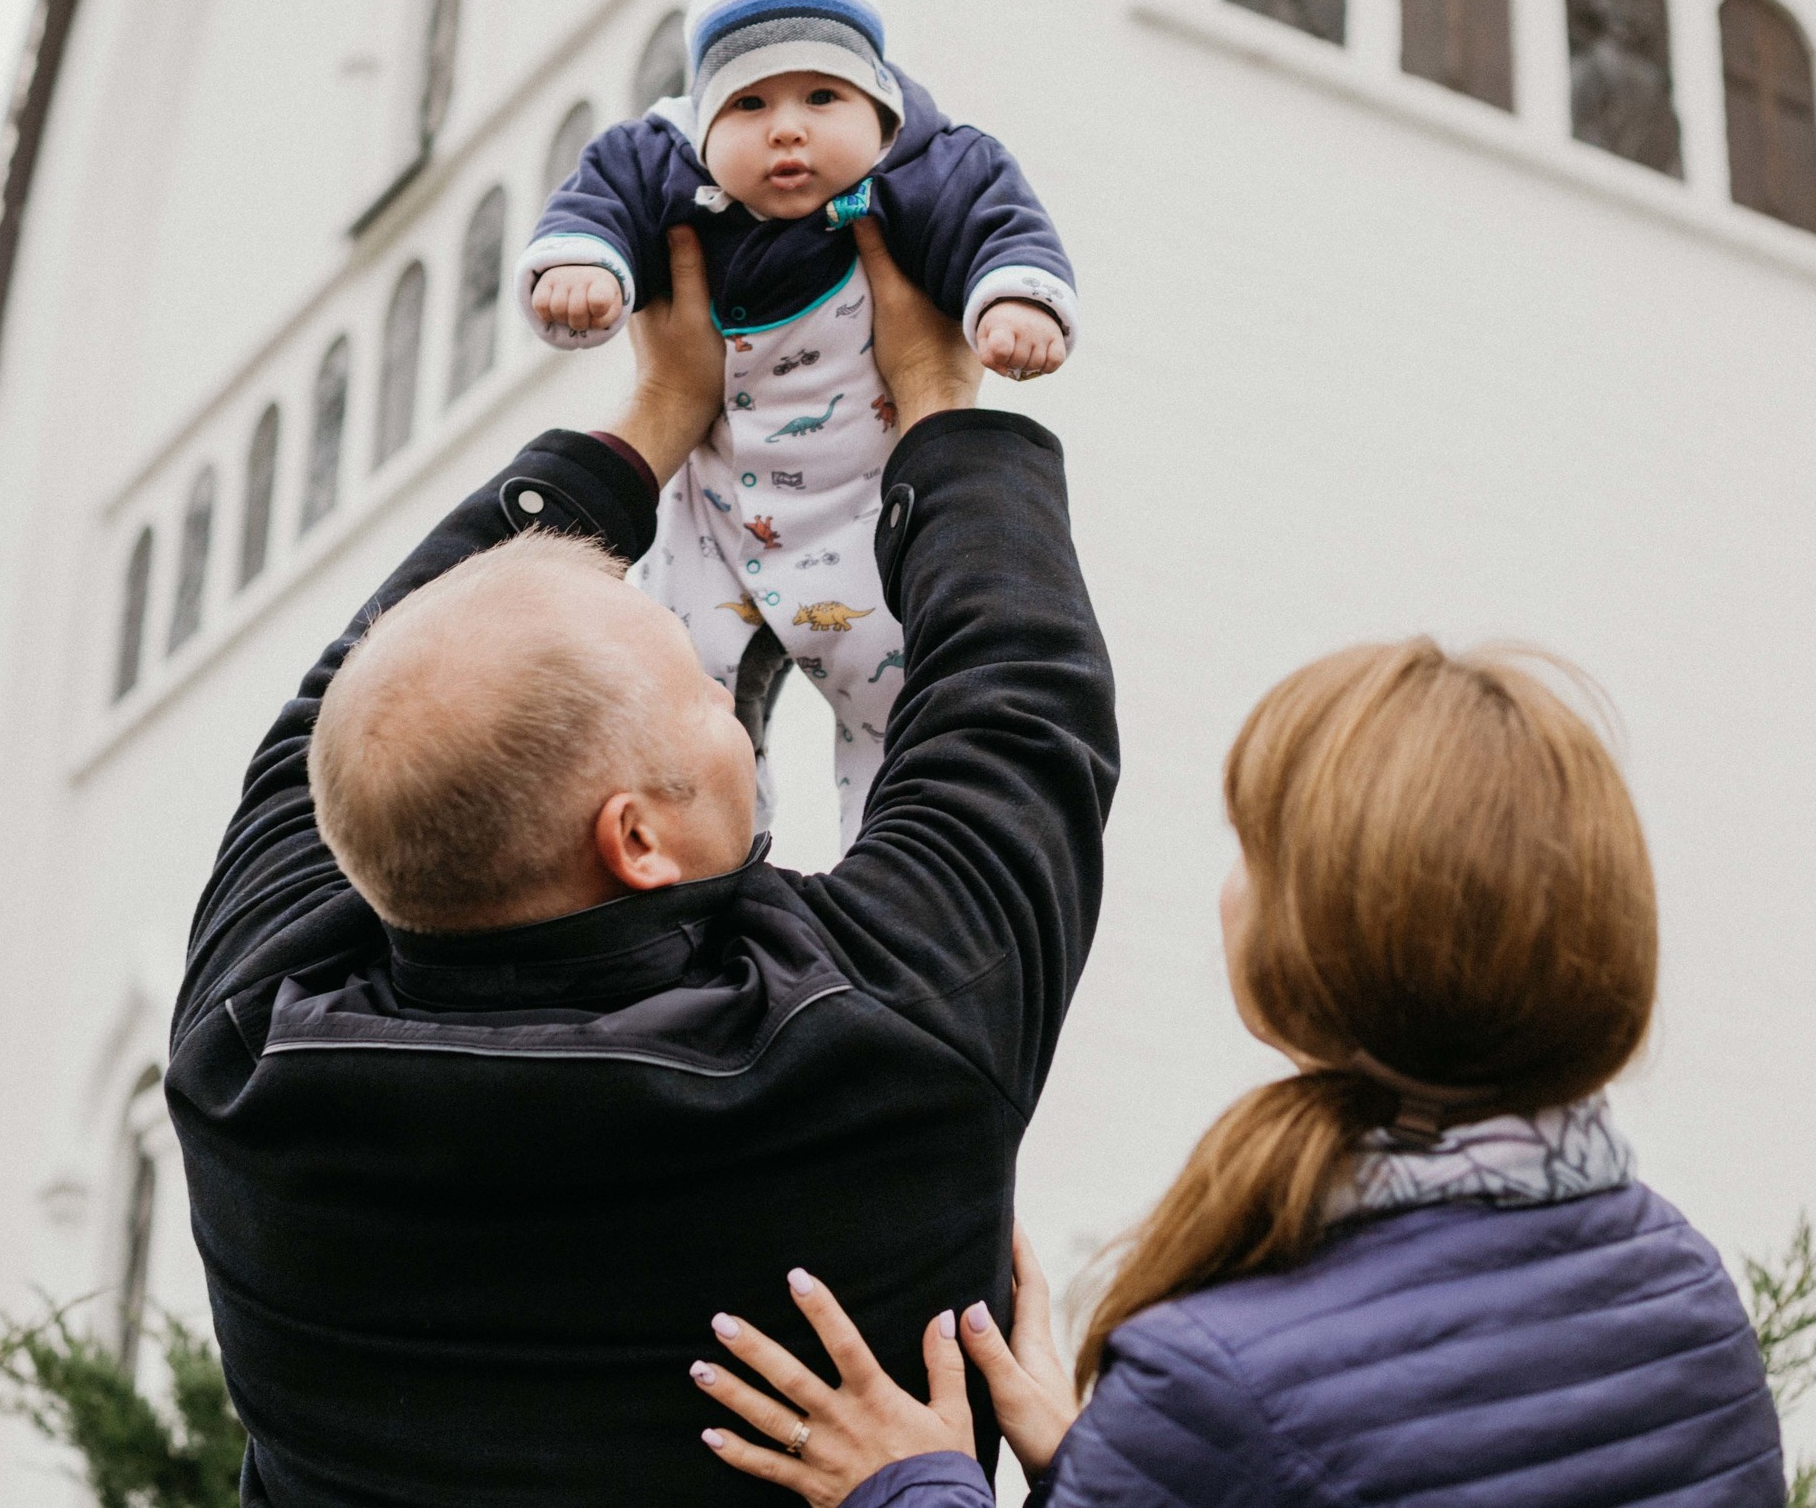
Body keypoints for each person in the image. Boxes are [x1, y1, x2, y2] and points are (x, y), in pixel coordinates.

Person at [164, 220, 1118, 1506]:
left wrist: (653, 417)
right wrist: (941, 399)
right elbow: (1017, 708)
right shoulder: (882, 1045)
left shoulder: (241, 1061)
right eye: (703, 694)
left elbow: (332, 725)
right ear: (636, 836)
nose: (731, 699)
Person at [686, 642, 1787, 1507]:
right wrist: (1117, 1470)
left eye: (1255, 849)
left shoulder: (1218, 1379)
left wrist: (905, 1485)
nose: (1229, 886)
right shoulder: (1682, 1285)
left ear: (1341, 943)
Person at [521, 0, 1079, 844]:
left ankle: (891, 853)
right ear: (700, 121)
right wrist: (584, 270)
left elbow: (999, 221)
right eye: (750, 103)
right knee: (670, 688)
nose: (788, 128)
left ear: (880, 104)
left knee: (899, 698)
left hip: (866, 508)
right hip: (712, 511)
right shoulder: (659, 163)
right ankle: (711, 864)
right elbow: (594, 207)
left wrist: (1013, 297)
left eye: (823, 97)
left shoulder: (929, 165)